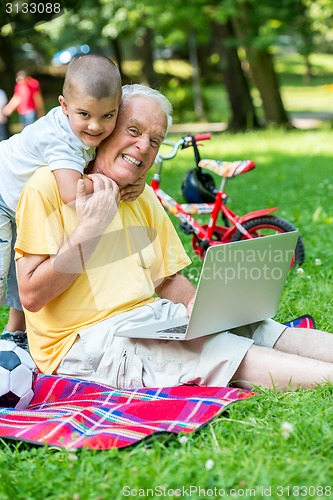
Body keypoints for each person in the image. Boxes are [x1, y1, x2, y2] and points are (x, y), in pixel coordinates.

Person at [15, 84, 333, 391]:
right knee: (218, 351)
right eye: (134, 131)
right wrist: (88, 232)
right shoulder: (48, 187)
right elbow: (31, 295)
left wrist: (199, 305)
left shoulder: (140, 196)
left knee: (259, 328)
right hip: (85, 341)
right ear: (106, 128)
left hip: (148, 318)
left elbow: (166, 282)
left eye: (156, 140)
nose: (144, 146)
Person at [0, 55, 144, 349]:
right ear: (64, 106)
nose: (95, 126)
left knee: (25, 264)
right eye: (85, 115)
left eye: (107, 116)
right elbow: (72, 192)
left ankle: (16, 330)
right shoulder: (58, 138)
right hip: (1, 199)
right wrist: (117, 183)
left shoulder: (81, 127)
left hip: (19, 203)